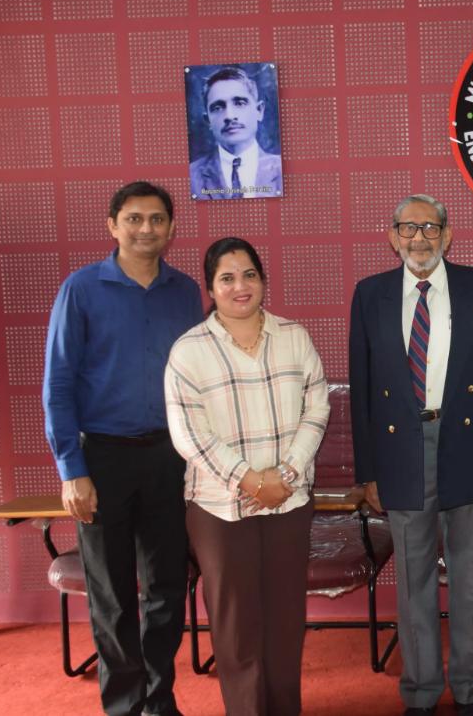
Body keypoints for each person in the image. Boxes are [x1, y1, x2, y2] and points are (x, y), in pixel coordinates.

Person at [349, 194, 473, 716]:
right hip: (401, 450)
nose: (419, 238)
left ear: (447, 235)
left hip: (468, 445)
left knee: (469, 578)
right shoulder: (371, 294)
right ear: (392, 236)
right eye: (408, 228)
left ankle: (470, 691)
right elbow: (362, 390)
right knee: (414, 579)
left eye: (430, 227)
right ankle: (421, 692)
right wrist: (368, 470)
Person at [43, 181, 203, 716]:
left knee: (167, 587)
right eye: (134, 218)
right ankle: (124, 706)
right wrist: (72, 469)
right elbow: (58, 384)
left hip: (169, 459)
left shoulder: (185, 291)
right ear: (113, 225)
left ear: (171, 228)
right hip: (102, 460)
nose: (146, 229)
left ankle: (159, 699)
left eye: (157, 219)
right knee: (112, 594)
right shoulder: (81, 289)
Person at [165, 237, 330, 716]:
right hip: (219, 507)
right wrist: (250, 480)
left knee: (285, 620)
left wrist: (285, 474)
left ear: (263, 280)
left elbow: (316, 407)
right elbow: (188, 435)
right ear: (210, 289)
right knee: (236, 627)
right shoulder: (188, 351)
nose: (241, 286)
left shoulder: (294, 337)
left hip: (289, 501)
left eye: (250, 275)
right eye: (227, 278)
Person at [189, 67, 283, 200]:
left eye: (240, 103)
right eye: (218, 107)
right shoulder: (191, 176)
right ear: (208, 120)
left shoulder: (283, 170)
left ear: (259, 111)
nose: (229, 116)